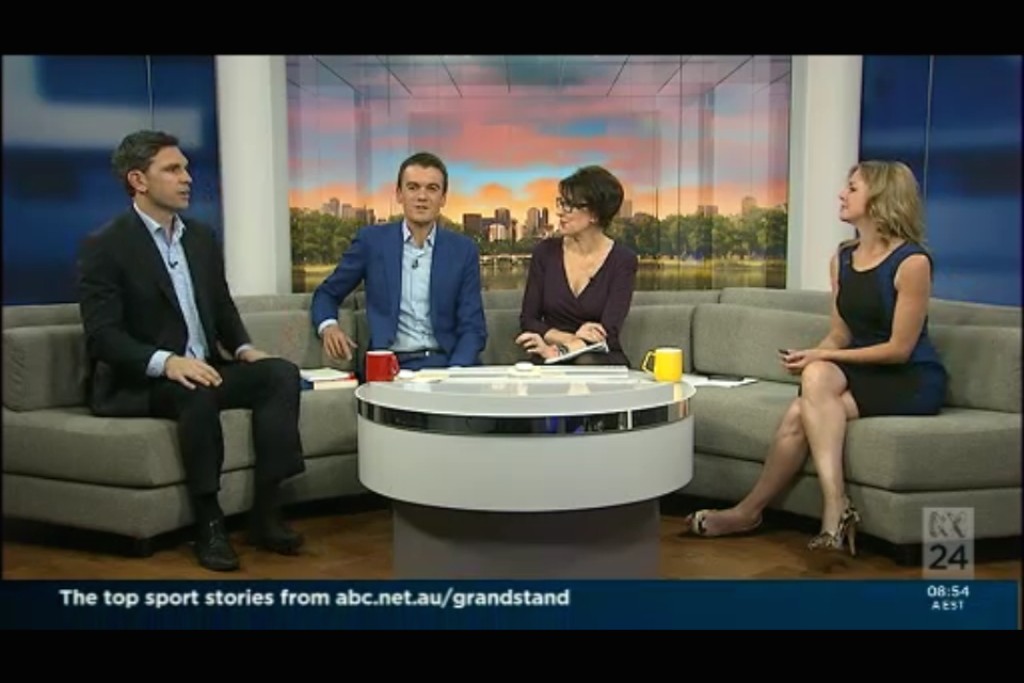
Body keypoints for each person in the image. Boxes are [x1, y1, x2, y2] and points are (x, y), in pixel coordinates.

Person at [681, 160, 948, 555]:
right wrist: (812, 360)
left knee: (805, 402)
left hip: (909, 379)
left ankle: (774, 510)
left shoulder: (912, 262)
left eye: (852, 188)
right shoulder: (843, 258)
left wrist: (821, 357)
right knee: (809, 392)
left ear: (881, 197)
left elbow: (899, 349)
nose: (842, 194)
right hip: (864, 371)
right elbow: (841, 335)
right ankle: (812, 507)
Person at [77, 130, 306, 572]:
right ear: (138, 180)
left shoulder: (200, 237)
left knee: (280, 374)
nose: (187, 178)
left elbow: (221, 305)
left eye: (185, 168)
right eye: (173, 169)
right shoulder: (105, 246)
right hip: (142, 381)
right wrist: (168, 363)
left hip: (205, 369)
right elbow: (103, 337)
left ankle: (266, 511)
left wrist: (244, 348)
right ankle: (210, 522)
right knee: (194, 391)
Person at [311, 152, 487, 371]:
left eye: (432, 188)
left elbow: (473, 327)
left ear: (443, 198)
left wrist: (455, 373)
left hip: (447, 364)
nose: (422, 197)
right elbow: (327, 293)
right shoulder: (372, 242)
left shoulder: (463, 250)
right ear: (399, 194)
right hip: (391, 366)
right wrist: (329, 327)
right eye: (413, 187)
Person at [515, 165, 638, 365]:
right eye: (561, 203)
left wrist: (564, 351)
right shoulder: (545, 253)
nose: (559, 212)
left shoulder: (623, 260)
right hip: (550, 352)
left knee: (585, 361)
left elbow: (608, 332)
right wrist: (567, 341)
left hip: (599, 359)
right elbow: (529, 320)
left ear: (594, 215)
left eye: (569, 206)